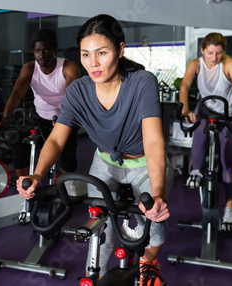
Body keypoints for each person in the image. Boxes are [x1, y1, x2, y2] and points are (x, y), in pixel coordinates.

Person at [16, 15, 173, 286]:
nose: (94, 63)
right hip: (104, 164)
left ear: (120, 50)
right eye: (86, 54)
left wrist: (157, 192)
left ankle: (148, 262)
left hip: (144, 163)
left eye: (102, 53)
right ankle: (95, 276)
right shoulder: (78, 91)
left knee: (154, 224)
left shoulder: (142, 82)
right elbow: (55, 139)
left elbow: (153, 141)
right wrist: (38, 175)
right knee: (101, 228)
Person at [179, 32, 232, 232]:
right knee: (199, 126)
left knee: (227, 160)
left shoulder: (228, 64)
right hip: (207, 108)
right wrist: (184, 109)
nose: (214, 58)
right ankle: (196, 171)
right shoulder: (196, 64)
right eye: (210, 53)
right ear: (202, 50)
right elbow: (184, 85)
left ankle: (229, 208)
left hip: (229, 112)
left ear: (223, 52)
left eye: (218, 53)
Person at [0, 28, 80, 179]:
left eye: (46, 50)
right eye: (37, 51)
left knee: (67, 159)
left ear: (54, 50)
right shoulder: (29, 68)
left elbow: (70, 98)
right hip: (40, 117)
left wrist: (62, 120)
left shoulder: (68, 67)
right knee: (18, 144)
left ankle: (68, 187)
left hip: (66, 118)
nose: (41, 55)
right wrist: (5, 117)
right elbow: (16, 94)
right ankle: (26, 184)